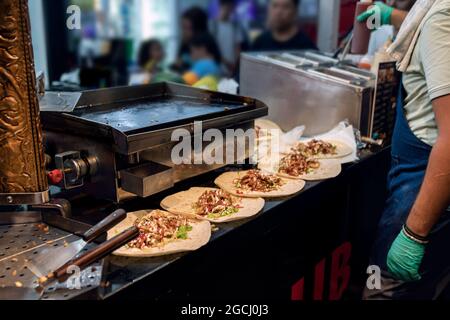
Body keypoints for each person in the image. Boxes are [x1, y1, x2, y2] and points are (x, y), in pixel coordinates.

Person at [358, 0, 450, 300]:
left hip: (423, 185)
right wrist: (387, 15)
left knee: (382, 291)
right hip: (420, 177)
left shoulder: (441, 18)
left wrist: (413, 234)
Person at [251, 0, 316, 51]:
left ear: (295, 11)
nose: (278, 12)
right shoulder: (260, 42)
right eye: (275, 6)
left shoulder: (306, 46)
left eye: (285, 7)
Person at [209, 0, 247, 77]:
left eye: (231, 7)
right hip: (217, 68)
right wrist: (227, 63)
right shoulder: (213, 25)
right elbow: (212, 49)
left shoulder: (235, 26)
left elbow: (238, 47)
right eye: (227, 6)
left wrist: (235, 65)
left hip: (232, 69)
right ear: (221, 6)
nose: (229, 10)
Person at [173, 7, 209, 73]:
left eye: (187, 28)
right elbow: (177, 64)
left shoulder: (204, 45)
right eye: (183, 28)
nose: (184, 32)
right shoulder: (185, 43)